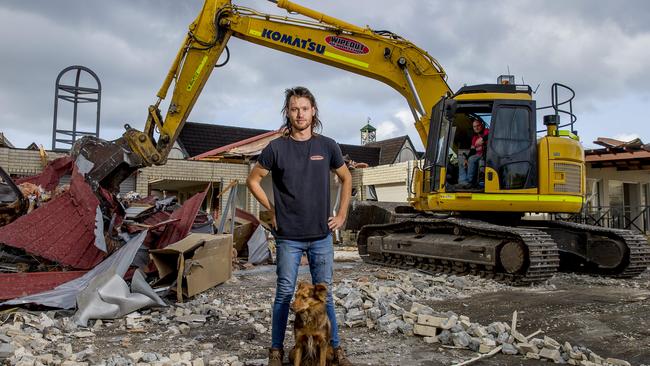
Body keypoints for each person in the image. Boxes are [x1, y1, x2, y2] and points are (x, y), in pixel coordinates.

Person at [246, 86, 353, 366]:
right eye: (294, 109)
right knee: (284, 293)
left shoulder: (327, 146)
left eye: (304, 108)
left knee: (324, 293)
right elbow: (253, 180)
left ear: (313, 111)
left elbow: (346, 178)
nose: (300, 114)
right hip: (288, 237)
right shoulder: (276, 148)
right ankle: (276, 351)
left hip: (321, 235)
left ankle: (336, 350)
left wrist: (341, 214)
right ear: (288, 112)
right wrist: (271, 209)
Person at [458, 118, 489, 188]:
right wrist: (466, 159)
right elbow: (472, 150)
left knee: (473, 159)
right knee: (465, 160)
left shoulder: (486, 132)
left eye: (478, 125)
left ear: (482, 125)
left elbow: (493, 134)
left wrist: (483, 139)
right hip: (478, 155)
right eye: (474, 127)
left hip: (487, 154)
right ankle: (465, 182)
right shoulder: (474, 138)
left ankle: (471, 181)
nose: (476, 128)